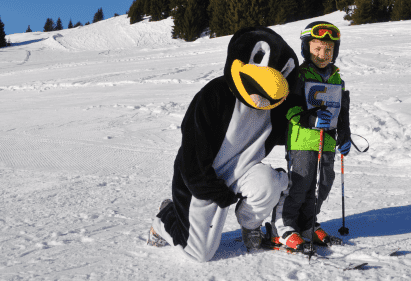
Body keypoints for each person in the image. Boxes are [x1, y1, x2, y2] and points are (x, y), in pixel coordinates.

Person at [147, 26, 300, 262]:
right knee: (200, 254)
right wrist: (219, 194)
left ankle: (251, 224)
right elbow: (192, 161)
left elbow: (287, 131)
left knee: (267, 184)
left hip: (244, 171)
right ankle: (166, 218)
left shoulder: (274, 108)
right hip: (203, 178)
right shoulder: (214, 95)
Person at [271, 21, 351, 250]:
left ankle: (307, 225)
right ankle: (284, 227)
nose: (323, 54)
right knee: (301, 182)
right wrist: (309, 119)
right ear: (307, 48)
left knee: (324, 183)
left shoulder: (337, 79)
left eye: (328, 50)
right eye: (317, 49)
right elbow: (290, 107)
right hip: (302, 139)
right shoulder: (300, 75)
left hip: (327, 141)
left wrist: (344, 136)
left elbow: (341, 112)